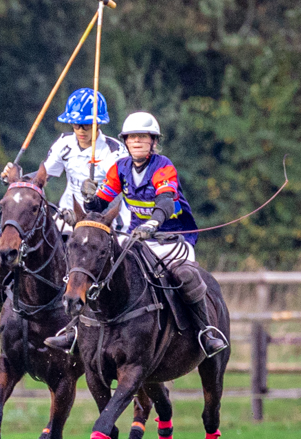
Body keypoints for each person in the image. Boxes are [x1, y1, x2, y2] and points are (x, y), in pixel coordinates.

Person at [44, 111, 228, 357]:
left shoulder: (163, 167)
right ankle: (75, 331)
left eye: (143, 137)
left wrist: (153, 223)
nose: (137, 141)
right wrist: (90, 199)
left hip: (171, 239)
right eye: (132, 138)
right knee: (101, 271)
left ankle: (206, 332)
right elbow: (101, 203)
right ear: (126, 142)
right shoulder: (121, 168)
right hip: (135, 239)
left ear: (153, 142)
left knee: (185, 275)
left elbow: (165, 202)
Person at [0, 88, 126, 322]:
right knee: (23, 244)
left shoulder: (115, 152)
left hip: (104, 223)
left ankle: (95, 319)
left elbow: (117, 194)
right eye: (75, 125)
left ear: (98, 125)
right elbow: (44, 176)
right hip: (67, 216)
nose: (80, 131)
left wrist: (95, 194)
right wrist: (17, 178)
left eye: (85, 126)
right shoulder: (65, 144)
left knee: (90, 264)